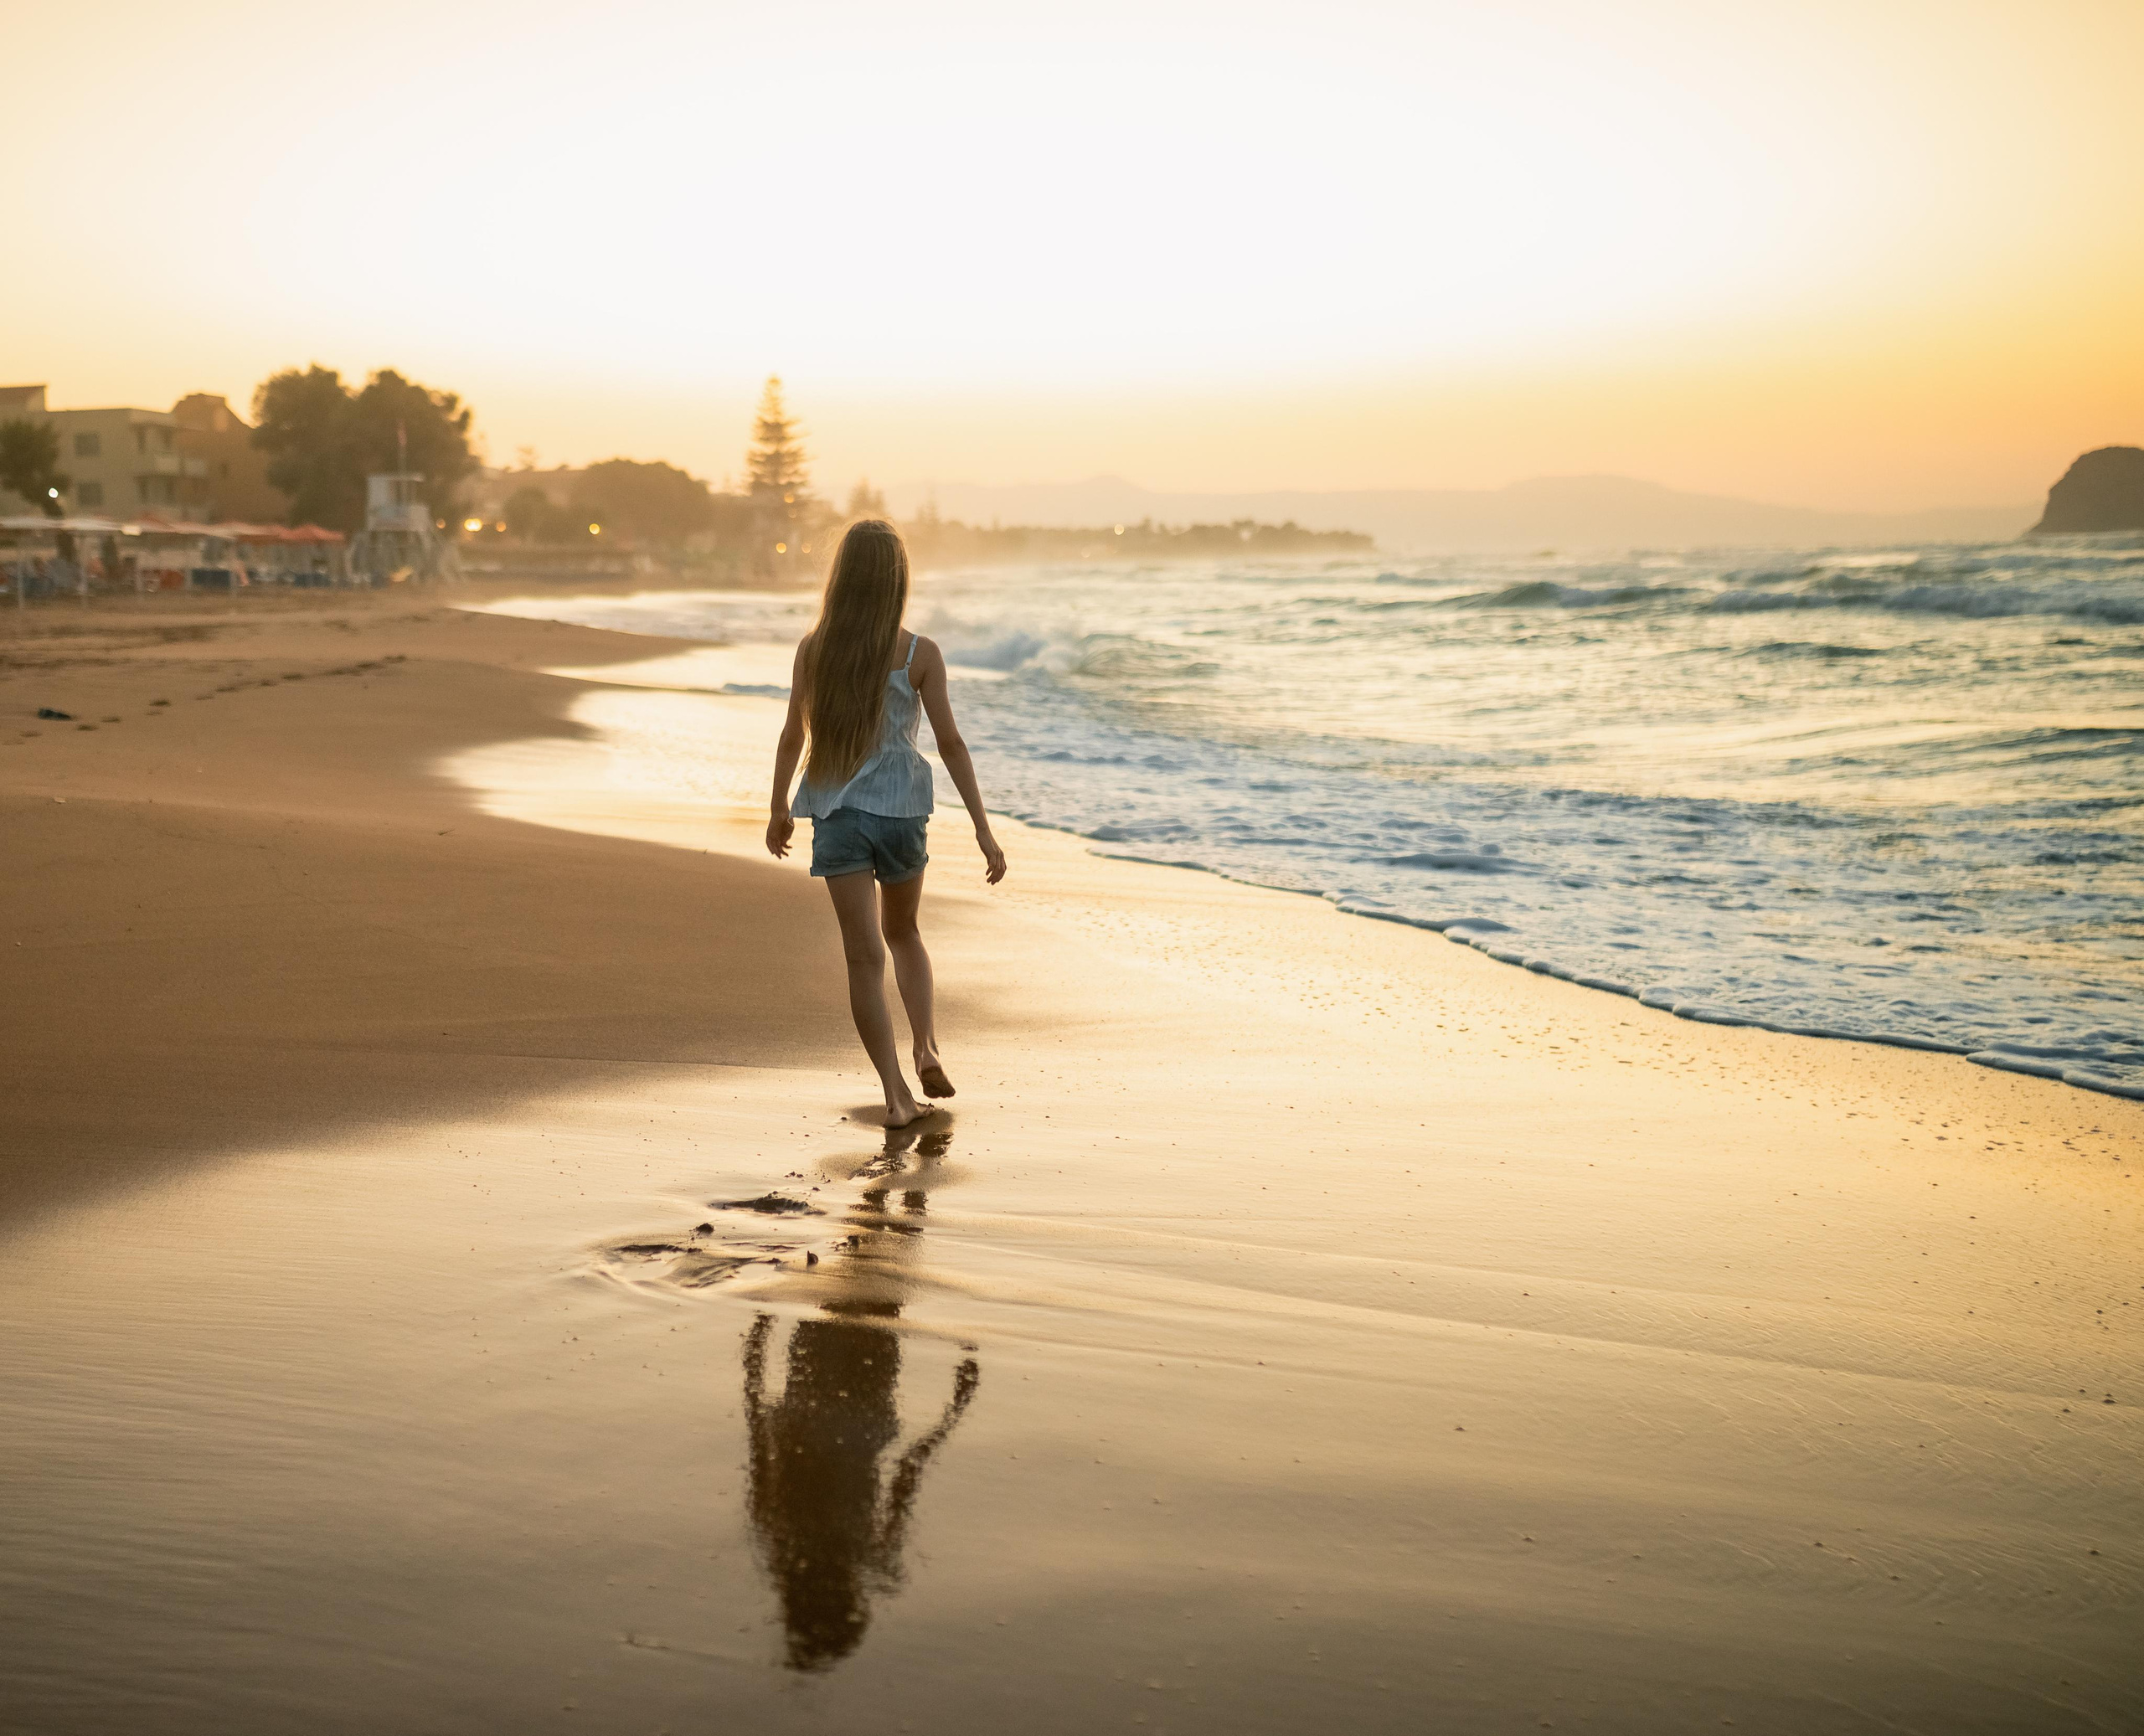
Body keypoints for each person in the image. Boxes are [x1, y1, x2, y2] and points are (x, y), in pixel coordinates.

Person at [766, 519, 1006, 1126]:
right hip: (902, 813)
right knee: (905, 933)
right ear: (897, 579)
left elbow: (794, 734)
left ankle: (897, 1094)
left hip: (841, 814)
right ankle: (927, 1046)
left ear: (841, 578)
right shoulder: (920, 653)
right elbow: (950, 743)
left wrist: (777, 809)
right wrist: (983, 827)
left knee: (862, 957)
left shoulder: (814, 649)